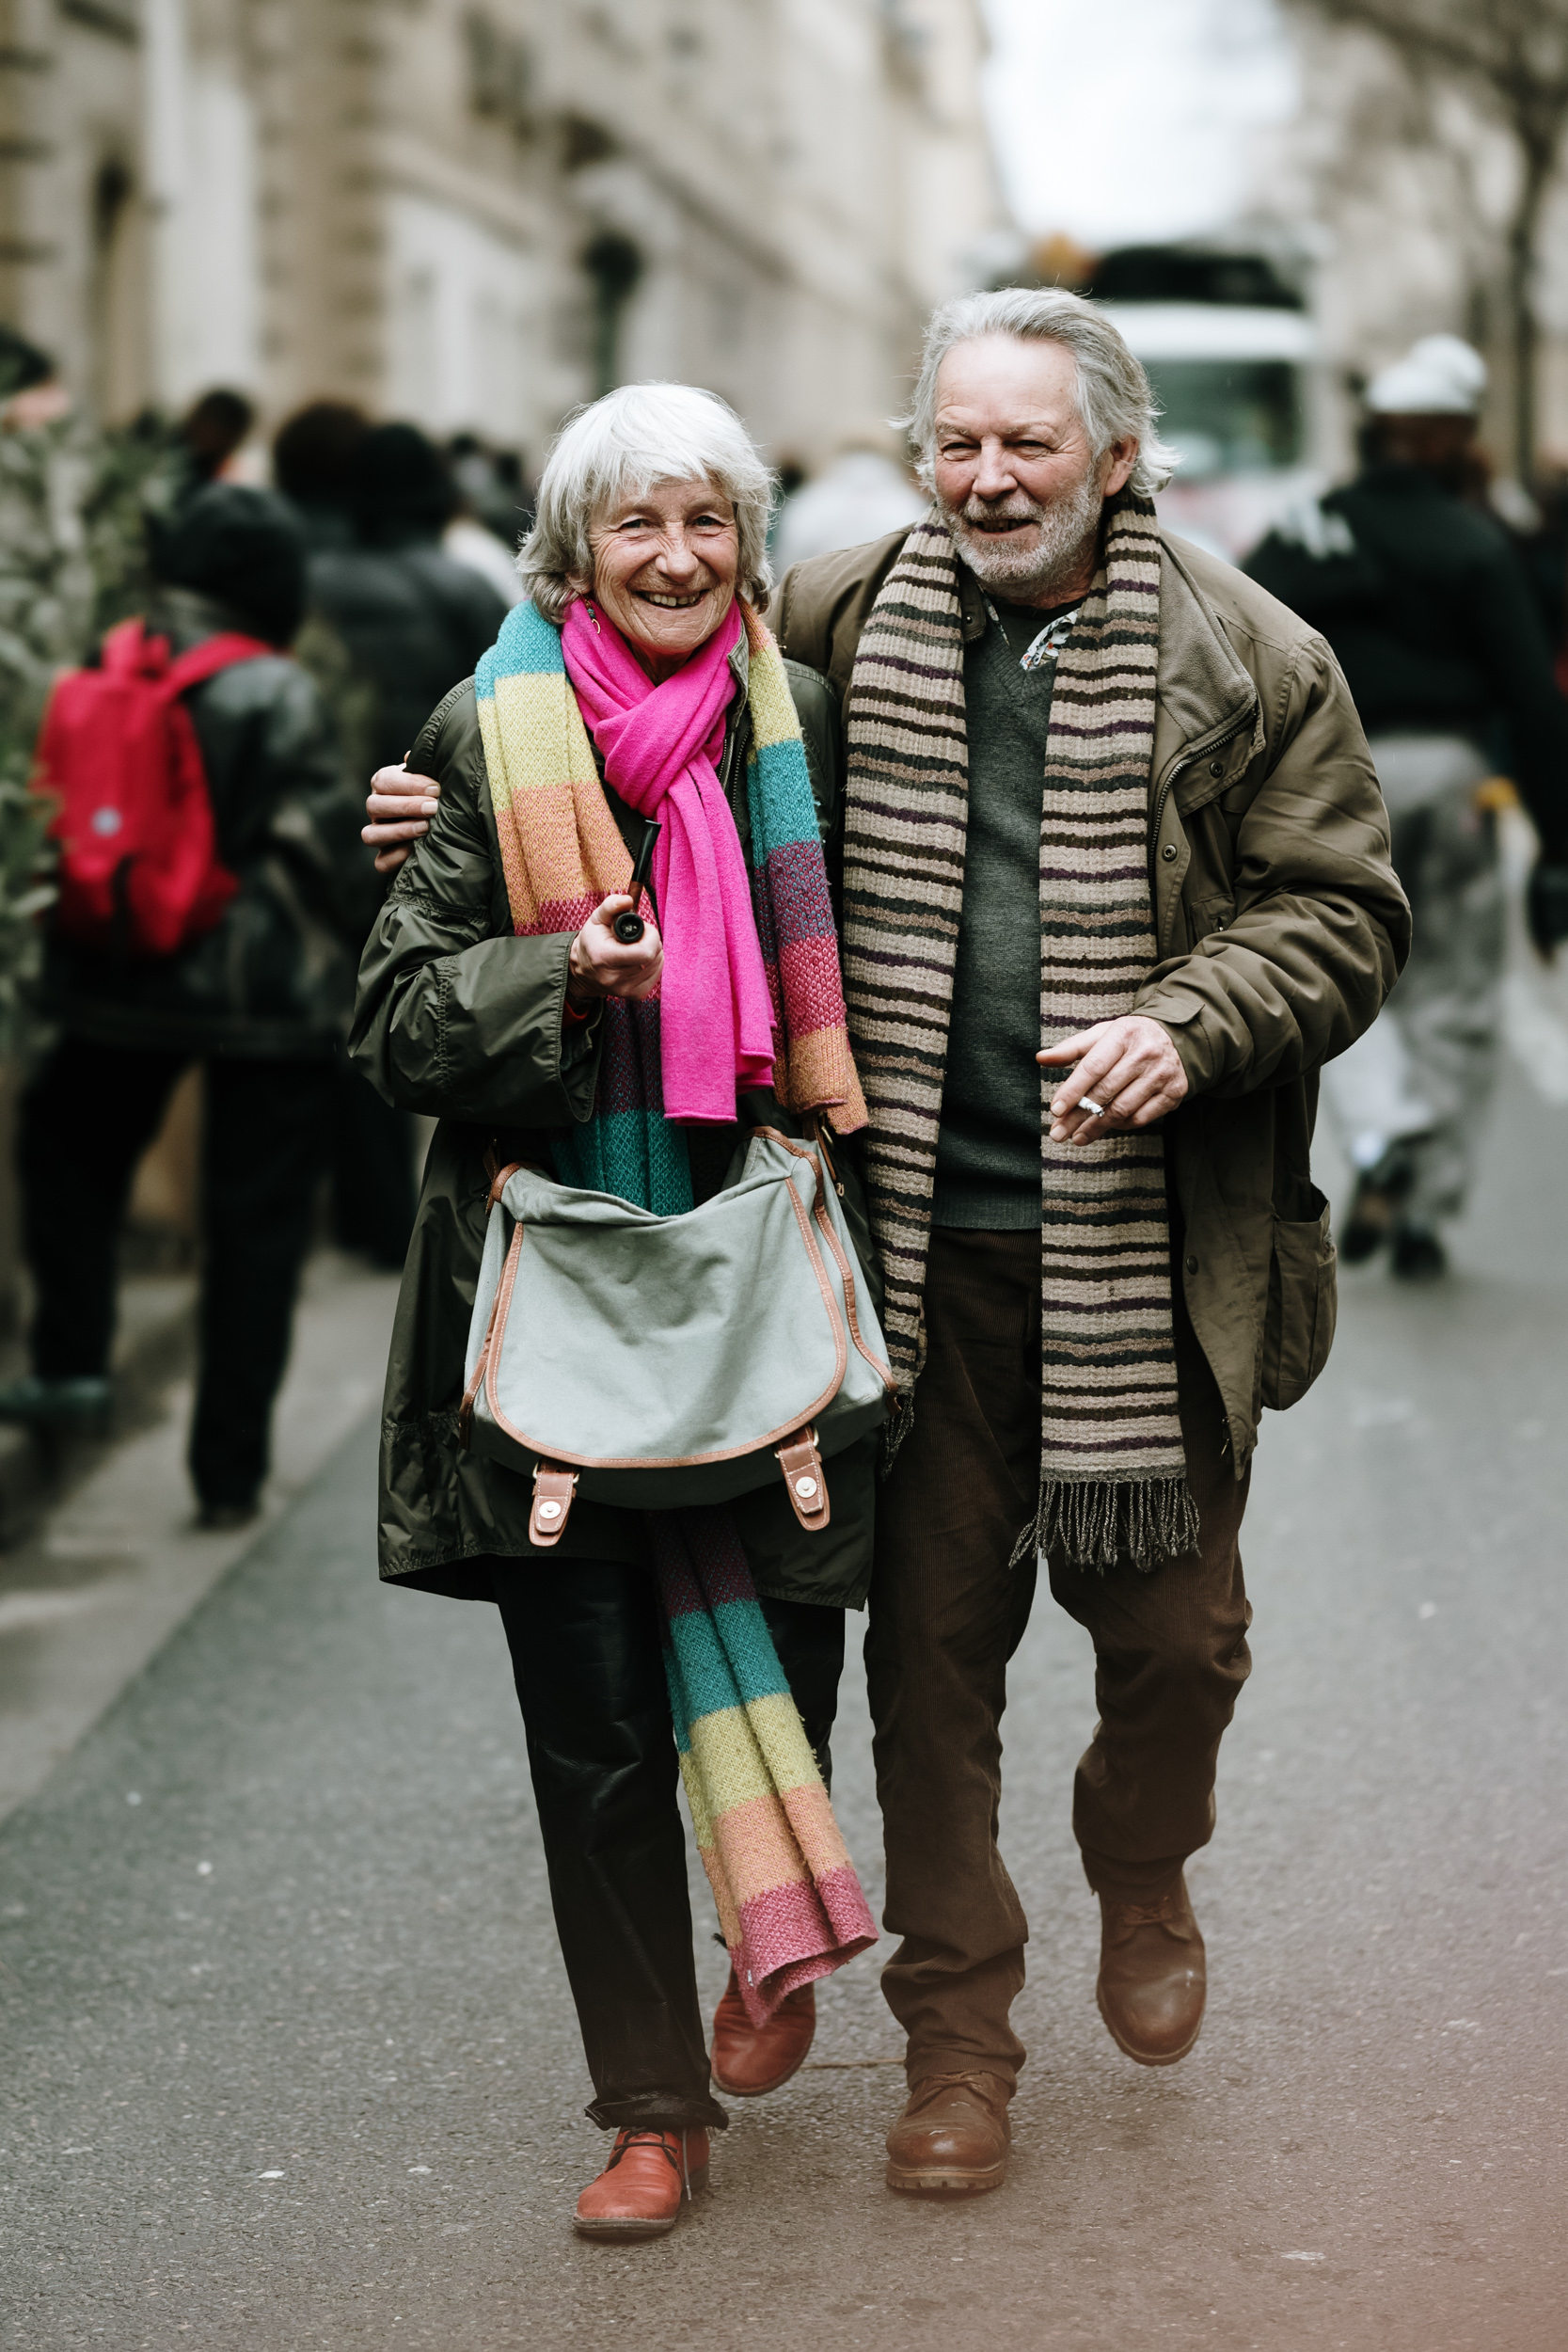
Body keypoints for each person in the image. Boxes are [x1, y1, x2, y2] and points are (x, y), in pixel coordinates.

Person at [767, 287, 1407, 2196]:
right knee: (925, 1672)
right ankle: (954, 2048)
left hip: (1149, 1252)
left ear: (1112, 454)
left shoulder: (1248, 649)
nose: (981, 478)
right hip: (904, 1257)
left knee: (1179, 1646)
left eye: (1022, 443)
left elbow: (1343, 911)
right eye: (951, 441)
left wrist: (1187, 1020)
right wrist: (442, 800)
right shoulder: (819, 614)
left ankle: (1140, 1857)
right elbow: (609, 716)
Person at [352, 383, 877, 2241]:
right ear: (571, 548)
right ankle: (649, 2106)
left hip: (765, 1291)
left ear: (746, 547)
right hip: (560, 1295)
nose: (670, 558)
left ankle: (767, 1933)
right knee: (590, 1734)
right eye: (632, 526)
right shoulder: (485, 734)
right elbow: (393, 1015)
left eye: (705, 524)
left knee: (786, 1680)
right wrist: (553, 973)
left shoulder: (806, 727)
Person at [0, 485, 372, 1521]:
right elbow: (320, 840)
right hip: (262, 990)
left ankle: (71, 1360)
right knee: (253, 1224)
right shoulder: (275, 687)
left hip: (115, 971)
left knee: (66, 1152)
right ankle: (228, 1467)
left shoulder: (112, 659)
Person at [1246, 334, 1568, 1278]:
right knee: (1456, 990)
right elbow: (1530, 697)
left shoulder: (1309, 528)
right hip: (1457, 779)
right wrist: (1555, 850)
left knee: (1336, 963)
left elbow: (1241, 646)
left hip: (1335, 780)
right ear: (1454, 436)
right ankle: (1426, 1203)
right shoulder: (1476, 543)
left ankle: (1380, 1133)